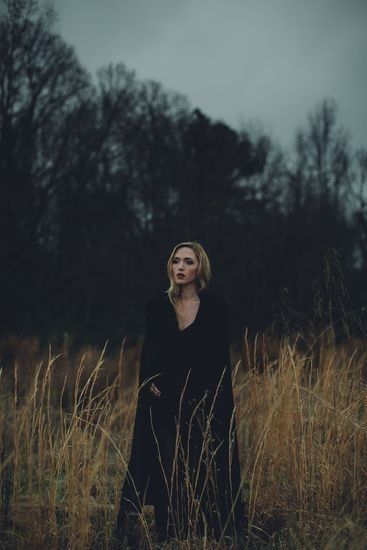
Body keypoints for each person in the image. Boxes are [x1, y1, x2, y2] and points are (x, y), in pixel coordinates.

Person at [116, 241, 245, 545]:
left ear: (201, 268)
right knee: (165, 462)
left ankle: (208, 528)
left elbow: (218, 360)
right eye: (176, 261)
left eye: (188, 261)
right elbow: (151, 354)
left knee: (201, 462)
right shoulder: (156, 306)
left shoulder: (215, 308)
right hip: (164, 399)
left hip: (201, 398)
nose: (181, 267)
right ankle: (168, 530)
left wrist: (214, 402)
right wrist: (149, 383)